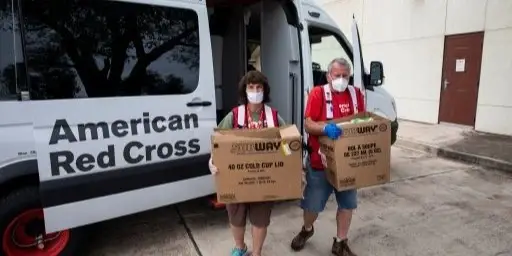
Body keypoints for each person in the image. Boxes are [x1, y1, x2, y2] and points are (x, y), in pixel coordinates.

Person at [290, 58, 365, 256]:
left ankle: (340, 241)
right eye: (337, 75)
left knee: (348, 204)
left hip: (347, 163)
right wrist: (325, 128)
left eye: (345, 76)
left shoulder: (356, 95)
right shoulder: (318, 93)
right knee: (312, 206)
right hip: (320, 163)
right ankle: (307, 229)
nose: (341, 79)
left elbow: (363, 123)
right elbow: (307, 124)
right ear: (328, 76)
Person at [209, 70, 286, 256]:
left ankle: (257, 252)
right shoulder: (234, 116)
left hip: (265, 178)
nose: (255, 91)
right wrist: (212, 160)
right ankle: (240, 247)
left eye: (259, 87)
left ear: (264, 91)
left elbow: (288, 145)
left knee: (260, 220)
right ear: (245, 91)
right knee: (236, 217)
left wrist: (288, 163)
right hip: (237, 178)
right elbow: (218, 141)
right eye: (251, 87)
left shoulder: (274, 117)